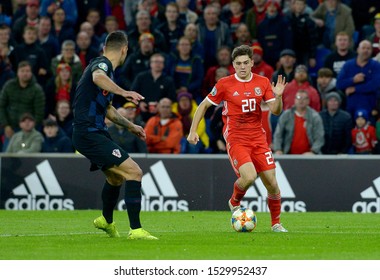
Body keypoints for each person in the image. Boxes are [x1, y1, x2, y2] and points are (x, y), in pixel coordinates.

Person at [187, 44, 288, 232]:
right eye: (238, 63)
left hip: (258, 138)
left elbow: (275, 111)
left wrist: (279, 97)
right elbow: (203, 106)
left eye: (246, 63)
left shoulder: (263, 82)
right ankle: (234, 201)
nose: (242, 67)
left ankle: (276, 224)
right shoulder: (225, 84)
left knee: (273, 184)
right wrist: (193, 131)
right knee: (249, 177)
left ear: (252, 63)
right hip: (236, 137)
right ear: (233, 64)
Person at [71, 31, 157, 240]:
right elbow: (97, 77)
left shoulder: (105, 71)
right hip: (88, 132)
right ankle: (136, 230)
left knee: (115, 177)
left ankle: (106, 221)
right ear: (124, 49)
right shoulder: (103, 65)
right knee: (134, 172)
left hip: (94, 132)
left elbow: (107, 108)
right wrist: (124, 92)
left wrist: (130, 126)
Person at [0, 60, 45, 151]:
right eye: (22, 71)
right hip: (10, 128)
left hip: (29, 130)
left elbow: (39, 112)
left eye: (27, 71)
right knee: (7, 157)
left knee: (28, 158)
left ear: (31, 73)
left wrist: (30, 127)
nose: (25, 74)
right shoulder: (9, 86)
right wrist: (6, 125)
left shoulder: (37, 89)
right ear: (17, 72)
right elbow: (1, 106)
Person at [336, 40, 380, 123]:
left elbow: (376, 84)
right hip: (351, 107)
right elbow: (339, 84)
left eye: (368, 48)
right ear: (358, 50)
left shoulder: (376, 65)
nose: (366, 50)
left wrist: (355, 89)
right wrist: (353, 80)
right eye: (363, 48)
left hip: (370, 107)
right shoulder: (348, 65)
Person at [273, 89, 325, 155]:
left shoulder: (315, 116)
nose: (301, 100)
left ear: (308, 101)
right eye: (298, 98)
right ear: (294, 100)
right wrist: (278, 149)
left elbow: (319, 137)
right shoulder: (286, 115)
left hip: (309, 156)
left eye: (304, 98)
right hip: (288, 155)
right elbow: (278, 134)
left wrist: (313, 151)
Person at [131, 53, 177, 122]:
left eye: (160, 62)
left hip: (161, 114)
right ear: (150, 64)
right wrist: (140, 103)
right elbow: (133, 92)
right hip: (141, 112)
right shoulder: (141, 77)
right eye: (155, 62)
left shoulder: (168, 80)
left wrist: (161, 105)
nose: (158, 64)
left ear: (164, 65)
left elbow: (172, 98)